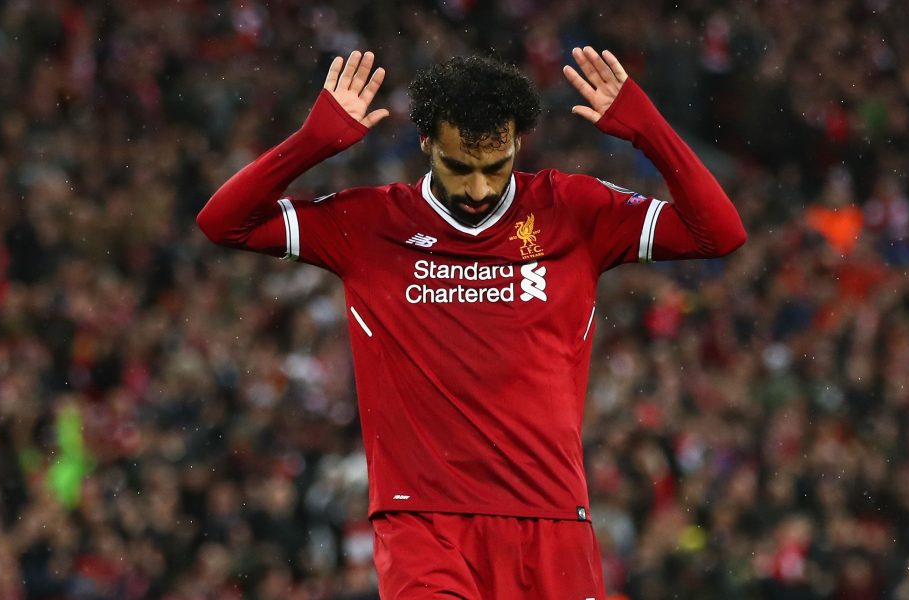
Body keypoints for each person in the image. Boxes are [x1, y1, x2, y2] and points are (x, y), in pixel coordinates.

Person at [197, 47, 746, 600]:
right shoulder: (368, 224)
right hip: (423, 524)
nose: (478, 190)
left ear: (519, 143)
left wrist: (649, 130)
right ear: (425, 142)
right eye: (459, 167)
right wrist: (309, 145)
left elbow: (718, 233)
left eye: (495, 167)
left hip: (551, 518)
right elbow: (224, 223)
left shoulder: (573, 210)